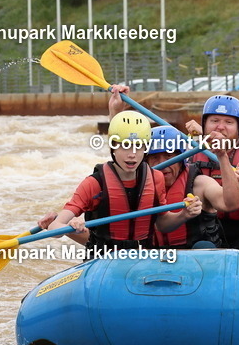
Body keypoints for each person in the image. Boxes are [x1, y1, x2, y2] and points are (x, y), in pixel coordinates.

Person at [46, 103, 201, 252]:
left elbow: (162, 224)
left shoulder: (156, 178)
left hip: (143, 256)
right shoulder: (94, 183)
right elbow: (54, 226)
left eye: (138, 146)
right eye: (125, 146)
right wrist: (72, 226)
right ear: (113, 146)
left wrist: (184, 214)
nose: (132, 154)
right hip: (104, 258)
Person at [182, 95, 239, 250]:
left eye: (228, 122)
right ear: (204, 124)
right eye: (214, 121)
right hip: (204, 229)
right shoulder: (189, 151)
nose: (220, 127)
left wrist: (235, 188)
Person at [145, 124, 239, 249]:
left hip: (197, 258)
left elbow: (231, 204)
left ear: (181, 159)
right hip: (155, 257)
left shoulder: (200, 184)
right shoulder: (141, 186)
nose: (162, 164)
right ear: (146, 162)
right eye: (155, 158)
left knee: (204, 246)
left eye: (169, 156)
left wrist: (222, 156)